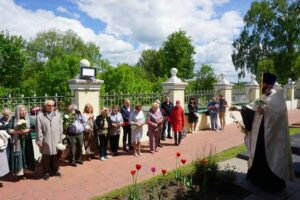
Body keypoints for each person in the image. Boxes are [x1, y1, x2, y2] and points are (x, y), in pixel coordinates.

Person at [231, 72, 294, 192]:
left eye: (263, 83)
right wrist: (240, 109)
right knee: (258, 156)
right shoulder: (264, 96)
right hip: (259, 134)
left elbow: (279, 114)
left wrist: (265, 111)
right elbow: (252, 108)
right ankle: (256, 178)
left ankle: (270, 184)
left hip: (270, 136)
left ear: (269, 84)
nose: (261, 85)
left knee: (268, 158)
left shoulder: (276, 97)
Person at [36, 100, 63, 180]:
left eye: (52, 105)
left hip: (56, 139)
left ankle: (54, 170)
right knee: (46, 156)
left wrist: (61, 139)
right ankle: (46, 172)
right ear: (45, 106)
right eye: (49, 105)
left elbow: (60, 128)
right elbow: (38, 129)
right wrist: (39, 141)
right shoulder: (40, 116)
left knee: (55, 156)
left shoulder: (58, 115)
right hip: (46, 139)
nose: (51, 107)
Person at [6, 105, 35, 179]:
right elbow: (8, 129)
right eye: (22, 110)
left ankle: (27, 171)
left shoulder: (29, 118)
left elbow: (35, 127)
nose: (24, 112)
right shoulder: (13, 119)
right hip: (17, 141)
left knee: (26, 154)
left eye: (24, 110)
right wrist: (18, 131)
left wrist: (28, 130)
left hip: (27, 141)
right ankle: (20, 172)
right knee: (19, 156)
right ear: (17, 111)